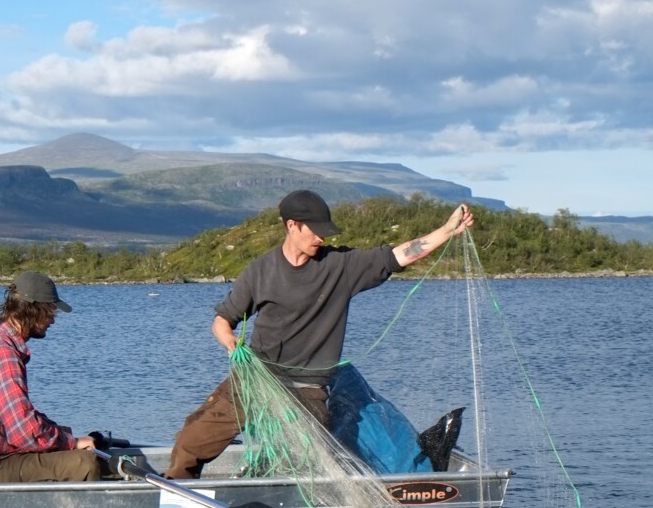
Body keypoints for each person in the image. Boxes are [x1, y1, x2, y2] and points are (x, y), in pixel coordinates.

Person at [165, 189, 475, 479]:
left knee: (299, 465)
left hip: (307, 390)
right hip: (254, 379)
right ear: (292, 226)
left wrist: (446, 231)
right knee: (191, 442)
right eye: (314, 229)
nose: (321, 236)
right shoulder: (260, 272)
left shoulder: (340, 266)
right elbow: (222, 320)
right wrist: (230, 341)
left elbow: (400, 254)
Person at [0, 270, 99, 483]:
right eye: (50, 312)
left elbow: (20, 419)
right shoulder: (3, 355)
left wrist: (61, 433)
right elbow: (23, 431)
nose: (52, 320)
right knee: (84, 463)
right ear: (33, 310)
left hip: (1, 459)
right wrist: (72, 443)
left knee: (72, 445)